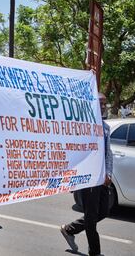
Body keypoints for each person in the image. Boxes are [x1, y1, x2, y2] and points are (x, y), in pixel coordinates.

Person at [60, 92, 113, 256]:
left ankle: (69, 229)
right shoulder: (83, 127)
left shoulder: (105, 128)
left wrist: (108, 173)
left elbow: (108, 153)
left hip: (101, 178)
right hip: (88, 179)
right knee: (91, 216)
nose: (103, 106)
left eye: (105, 103)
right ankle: (95, 252)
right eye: (100, 103)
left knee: (103, 211)